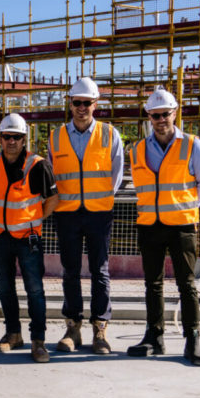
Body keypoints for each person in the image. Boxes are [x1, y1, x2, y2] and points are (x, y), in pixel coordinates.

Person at [127, 86, 200, 367]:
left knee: (187, 285)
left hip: (182, 227)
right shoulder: (138, 150)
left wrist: (183, 208)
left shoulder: (193, 145)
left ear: (175, 113)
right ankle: (154, 336)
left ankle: (193, 339)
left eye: (165, 114)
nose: (161, 120)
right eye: (155, 115)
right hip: (150, 226)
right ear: (148, 117)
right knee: (152, 285)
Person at [48, 77, 123, 354]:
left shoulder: (109, 134)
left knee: (99, 271)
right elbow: (53, 175)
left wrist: (99, 196)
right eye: (77, 103)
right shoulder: (56, 136)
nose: (82, 108)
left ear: (96, 104)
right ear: (70, 104)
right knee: (70, 272)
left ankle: (100, 328)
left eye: (87, 103)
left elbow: (116, 174)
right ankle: (73, 327)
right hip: (67, 212)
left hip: (98, 213)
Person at [0, 113, 59, 363]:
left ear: (24, 139)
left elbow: (53, 199)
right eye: (7, 136)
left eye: (16, 137)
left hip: (28, 239)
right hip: (1, 237)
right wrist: (2, 218)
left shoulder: (38, 165)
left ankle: (38, 341)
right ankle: (13, 334)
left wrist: (33, 221)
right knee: (5, 289)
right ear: (0, 138)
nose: (11, 141)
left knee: (34, 290)